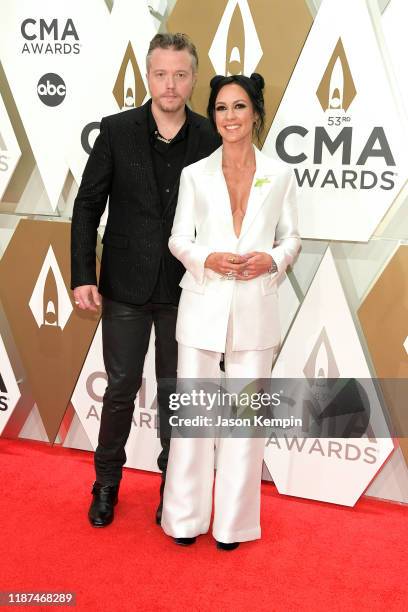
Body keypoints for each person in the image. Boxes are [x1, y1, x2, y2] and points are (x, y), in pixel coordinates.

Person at [70, 33, 220, 528]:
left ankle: (174, 492)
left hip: (188, 288)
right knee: (119, 389)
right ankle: (106, 483)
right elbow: (88, 204)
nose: (170, 84)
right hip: (125, 286)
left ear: (194, 77)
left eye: (180, 74)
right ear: (147, 76)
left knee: (177, 391)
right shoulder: (115, 131)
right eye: (161, 74)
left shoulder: (211, 137)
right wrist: (81, 275)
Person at [161, 73, 300, 549]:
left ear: (256, 113)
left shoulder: (280, 175)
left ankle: (234, 526)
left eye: (239, 107)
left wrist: (273, 259)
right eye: (221, 108)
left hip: (256, 310)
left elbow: (292, 237)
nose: (230, 117)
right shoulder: (194, 174)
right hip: (202, 306)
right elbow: (178, 238)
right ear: (214, 115)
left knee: (246, 422)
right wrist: (207, 258)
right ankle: (183, 519)